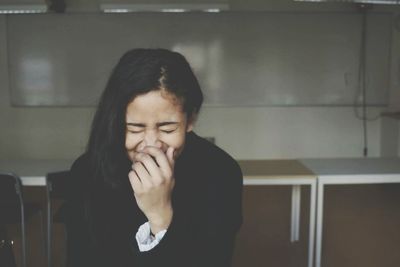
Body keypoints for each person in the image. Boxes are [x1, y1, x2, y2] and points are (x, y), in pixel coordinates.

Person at [65, 48, 243, 267]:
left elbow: (213, 260)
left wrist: (160, 217)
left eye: (167, 128)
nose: (151, 144)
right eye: (135, 128)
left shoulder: (220, 171)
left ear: (191, 119)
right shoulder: (88, 171)